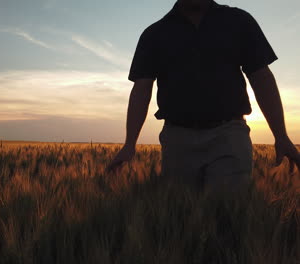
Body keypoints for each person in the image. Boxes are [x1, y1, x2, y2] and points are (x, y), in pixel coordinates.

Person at [106, 0, 300, 193]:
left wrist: (281, 135)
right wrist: (129, 144)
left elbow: (261, 77)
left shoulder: (239, 21)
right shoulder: (154, 34)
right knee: (182, 216)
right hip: (177, 141)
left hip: (229, 136)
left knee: (228, 214)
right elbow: (141, 89)